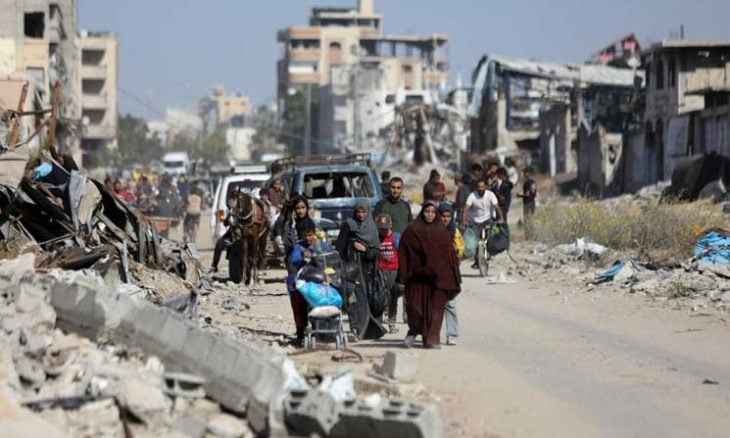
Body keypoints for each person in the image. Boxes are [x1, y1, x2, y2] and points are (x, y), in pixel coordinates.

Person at [398, 201, 461, 348]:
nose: (430, 215)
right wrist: (406, 273)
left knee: (436, 310)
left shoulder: (441, 231)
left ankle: (432, 338)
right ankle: (413, 332)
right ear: (422, 212)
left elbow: (448, 256)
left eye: (433, 212)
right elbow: (404, 251)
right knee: (415, 309)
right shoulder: (412, 230)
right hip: (417, 278)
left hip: (438, 280)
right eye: (427, 212)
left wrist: (451, 275)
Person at [335, 200, 383, 339]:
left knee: (367, 298)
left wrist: (365, 249)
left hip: (368, 271)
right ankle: (355, 328)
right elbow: (340, 247)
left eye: (364, 212)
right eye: (358, 212)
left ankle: (369, 329)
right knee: (354, 299)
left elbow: (376, 250)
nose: (361, 215)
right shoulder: (348, 225)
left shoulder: (372, 228)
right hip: (352, 270)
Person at [373, 176, 412, 325]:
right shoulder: (381, 205)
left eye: (398, 188)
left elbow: (409, 227)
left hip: (402, 250)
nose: (395, 191)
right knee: (387, 284)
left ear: (402, 189)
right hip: (386, 251)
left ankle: (407, 314)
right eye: (393, 187)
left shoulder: (406, 206)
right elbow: (375, 225)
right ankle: (388, 312)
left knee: (405, 283)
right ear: (389, 188)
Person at [288, 218, 330, 344]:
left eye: (310, 234)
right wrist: (302, 257)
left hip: (320, 280)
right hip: (305, 282)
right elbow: (294, 262)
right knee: (298, 302)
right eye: (305, 235)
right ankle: (300, 330)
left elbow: (330, 256)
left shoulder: (322, 245)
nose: (308, 238)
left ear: (314, 233)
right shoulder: (298, 247)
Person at [462, 178, 504, 269]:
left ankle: (490, 252)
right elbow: (466, 208)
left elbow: (497, 207)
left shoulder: (490, 195)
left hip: (488, 219)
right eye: (479, 187)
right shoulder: (472, 195)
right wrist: (464, 220)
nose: (480, 188)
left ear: (485, 187)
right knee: (474, 241)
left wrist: (501, 218)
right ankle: (477, 261)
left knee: (490, 237)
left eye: (482, 186)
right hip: (475, 220)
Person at [438, 203, 463, 346]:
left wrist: (456, 250)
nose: (446, 219)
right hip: (435, 273)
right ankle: (432, 333)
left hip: (450, 274)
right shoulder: (432, 230)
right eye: (443, 216)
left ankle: (452, 334)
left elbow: (461, 249)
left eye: (448, 216)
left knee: (451, 304)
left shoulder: (455, 231)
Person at [375, 214, 400, 334]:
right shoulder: (376, 237)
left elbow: (401, 253)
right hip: (380, 270)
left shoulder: (396, 237)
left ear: (390, 226)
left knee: (392, 297)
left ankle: (392, 322)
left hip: (393, 269)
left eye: (385, 228)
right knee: (380, 295)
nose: (383, 231)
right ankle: (380, 320)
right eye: (381, 228)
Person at [517, 167, 538, 237]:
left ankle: (529, 236)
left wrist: (519, 195)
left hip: (528, 203)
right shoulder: (533, 182)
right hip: (532, 202)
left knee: (527, 219)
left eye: (525, 172)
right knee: (531, 219)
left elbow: (527, 194)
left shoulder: (527, 182)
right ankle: (532, 234)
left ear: (528, 173)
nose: (524, 174)